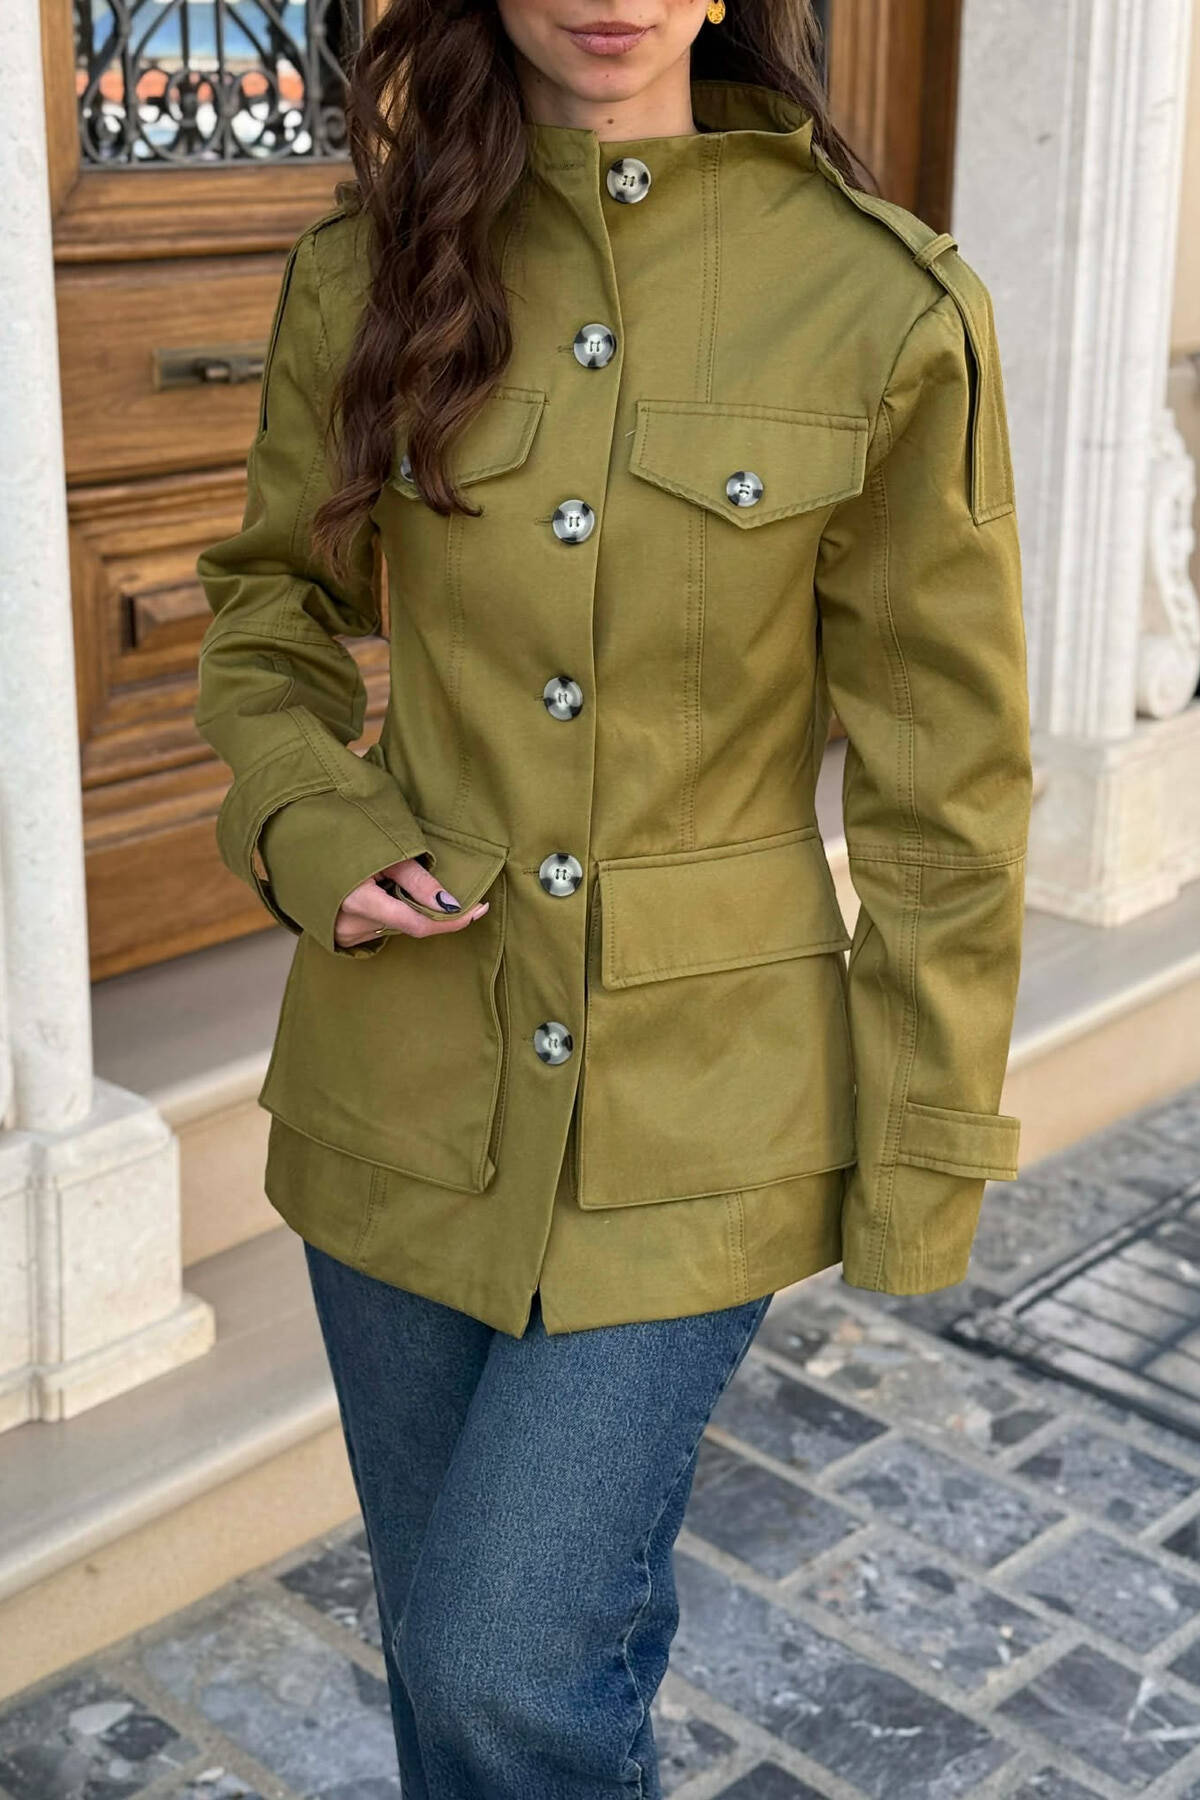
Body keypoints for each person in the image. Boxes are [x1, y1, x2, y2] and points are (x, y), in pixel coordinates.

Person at [193, 1, 1033, 1793]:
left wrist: (921, 1152)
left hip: (705, 1103)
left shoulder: (881, 300)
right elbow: (268, 613)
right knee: (450, 1665)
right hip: (402, 1078)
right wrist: (312, 828)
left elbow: (945, 789)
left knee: (501, 1664)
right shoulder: (368, 271)